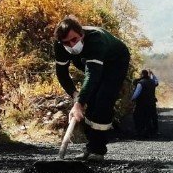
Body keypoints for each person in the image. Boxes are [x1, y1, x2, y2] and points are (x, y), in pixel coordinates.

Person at [54, 15, 131, 160]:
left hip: (115, 62)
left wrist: (78, 104)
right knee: (90, 100)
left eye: (74, 40)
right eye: (66, 43)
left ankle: (98, 150)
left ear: (81, 34)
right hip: (91, 64)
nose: (71, 45)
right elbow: (62, 74)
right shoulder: (60, 46)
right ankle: (90, 147)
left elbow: (92, 75)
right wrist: (76, 95)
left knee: (103, 99)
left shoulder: (95, 39)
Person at [131, 69, 158, 137]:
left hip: (142, 103)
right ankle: (153, 131)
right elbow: (156, 81)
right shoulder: (153, 82)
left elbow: (137, 93)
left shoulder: (140, 83)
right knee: (152, 117)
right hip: (152, 102)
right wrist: (152, 74)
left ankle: (139, 131)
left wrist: (132, 99)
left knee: (137, 116)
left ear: (142, 74)